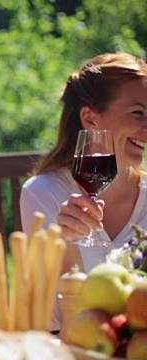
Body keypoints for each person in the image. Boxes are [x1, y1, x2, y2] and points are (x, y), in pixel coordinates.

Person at [21, 52, 147, 273]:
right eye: (138, 113)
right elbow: (55, 305)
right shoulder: (44, 193)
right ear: (90, 118)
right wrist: (64, 242)